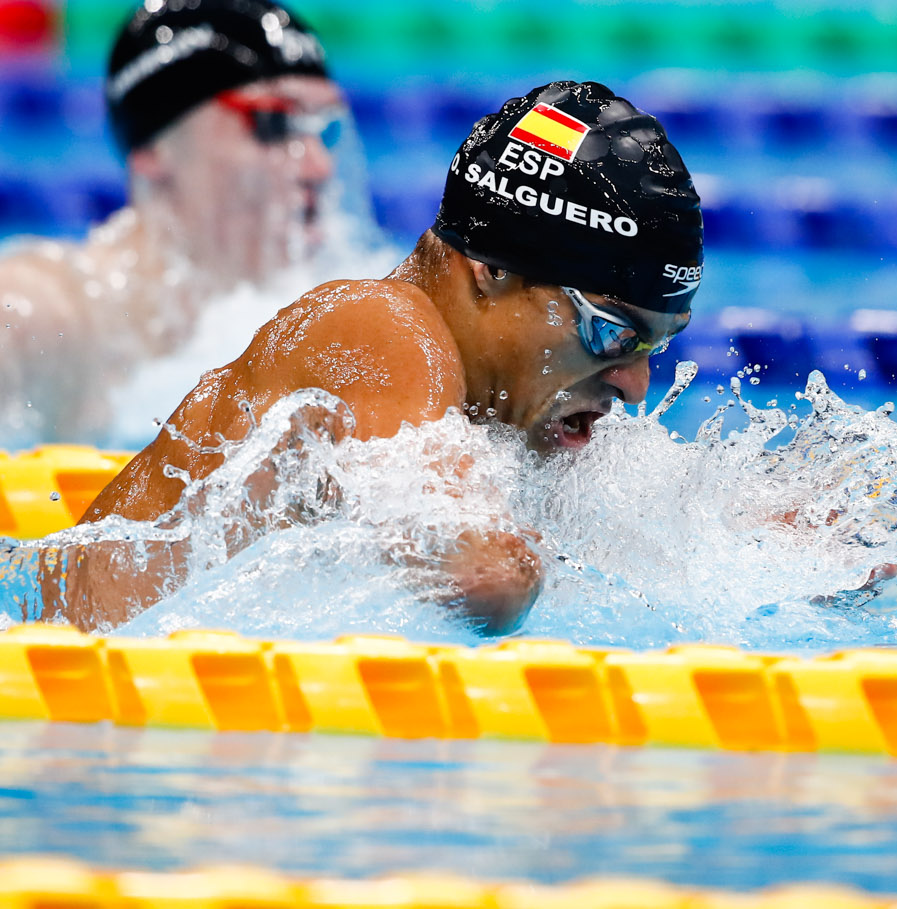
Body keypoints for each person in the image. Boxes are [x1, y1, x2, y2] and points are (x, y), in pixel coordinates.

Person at [40, 80, 704, 635]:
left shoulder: (482, 419)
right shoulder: (377, 327)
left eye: (657, 345)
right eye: (613, 333)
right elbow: (486, 577)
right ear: (491, 268)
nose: (636, 384)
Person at [0, 0, 360, 451]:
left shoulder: (352, 308)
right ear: (153, 147)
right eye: (274, 121)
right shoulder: (38, 314)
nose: (318, 165)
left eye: (323, 129)